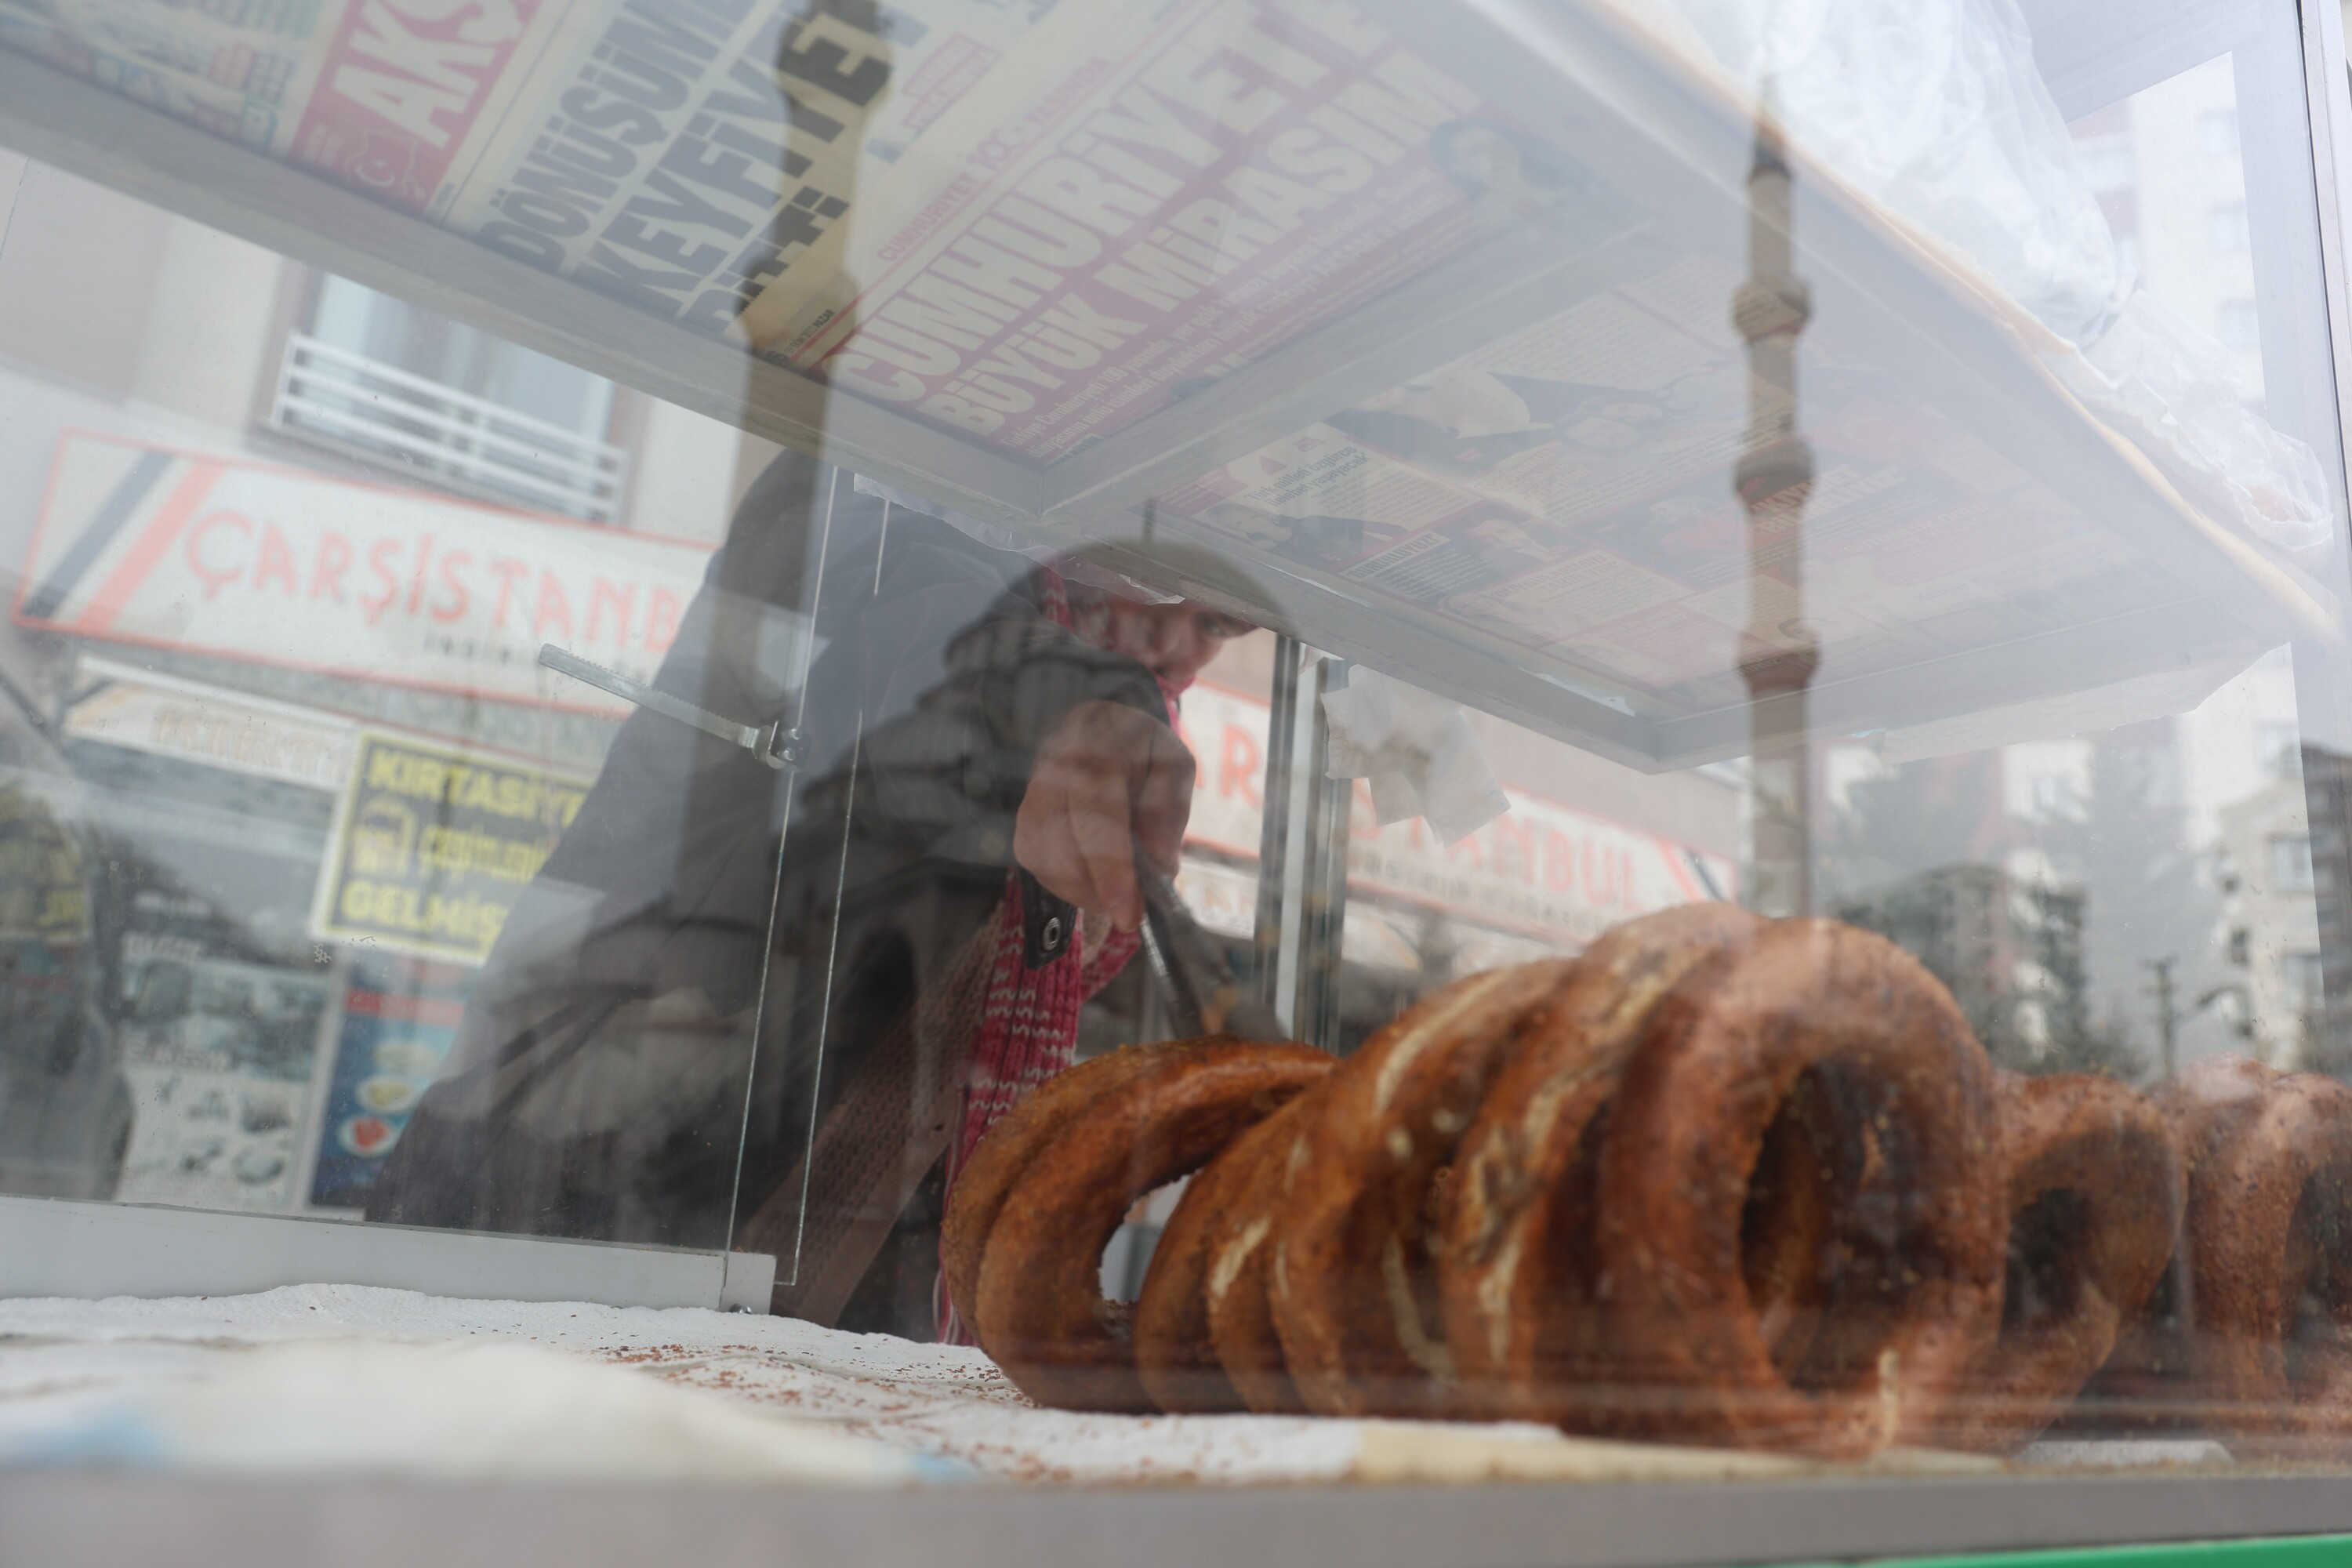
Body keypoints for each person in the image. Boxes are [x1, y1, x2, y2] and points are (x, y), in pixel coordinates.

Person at [368, 450, 1250, 1338]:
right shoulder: (870, 494)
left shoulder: (1126, 747)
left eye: (1212, 623)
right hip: (589, 1173)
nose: (1175, 642)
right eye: (1160, 593)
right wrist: (1081, 698)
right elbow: (914, 610)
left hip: (837, 1244)